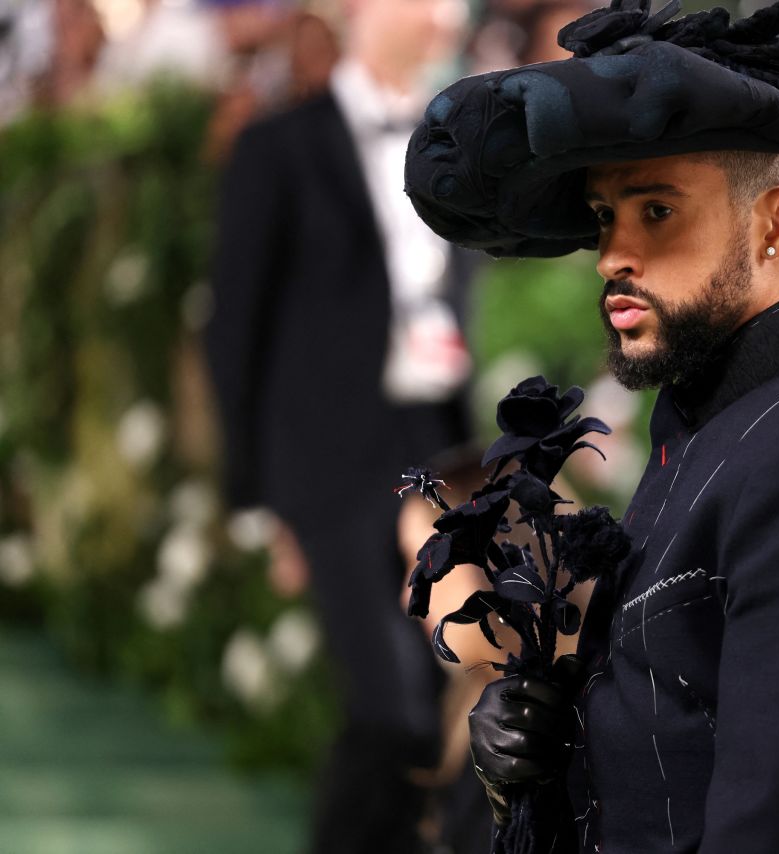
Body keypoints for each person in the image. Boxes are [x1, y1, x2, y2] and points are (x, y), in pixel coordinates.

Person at [402, 0, 779, 850]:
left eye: (657, 211)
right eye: (604, 218)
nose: (612, 255)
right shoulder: (726, 420)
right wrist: (552, 763)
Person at [204, 0, 473, 848]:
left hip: (431, 452)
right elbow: (233, 328)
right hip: (328, 462)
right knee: (391, 705)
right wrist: (254, 494)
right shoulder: (279, 146)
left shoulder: (459, 153)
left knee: (439, 696)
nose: (443, 18)